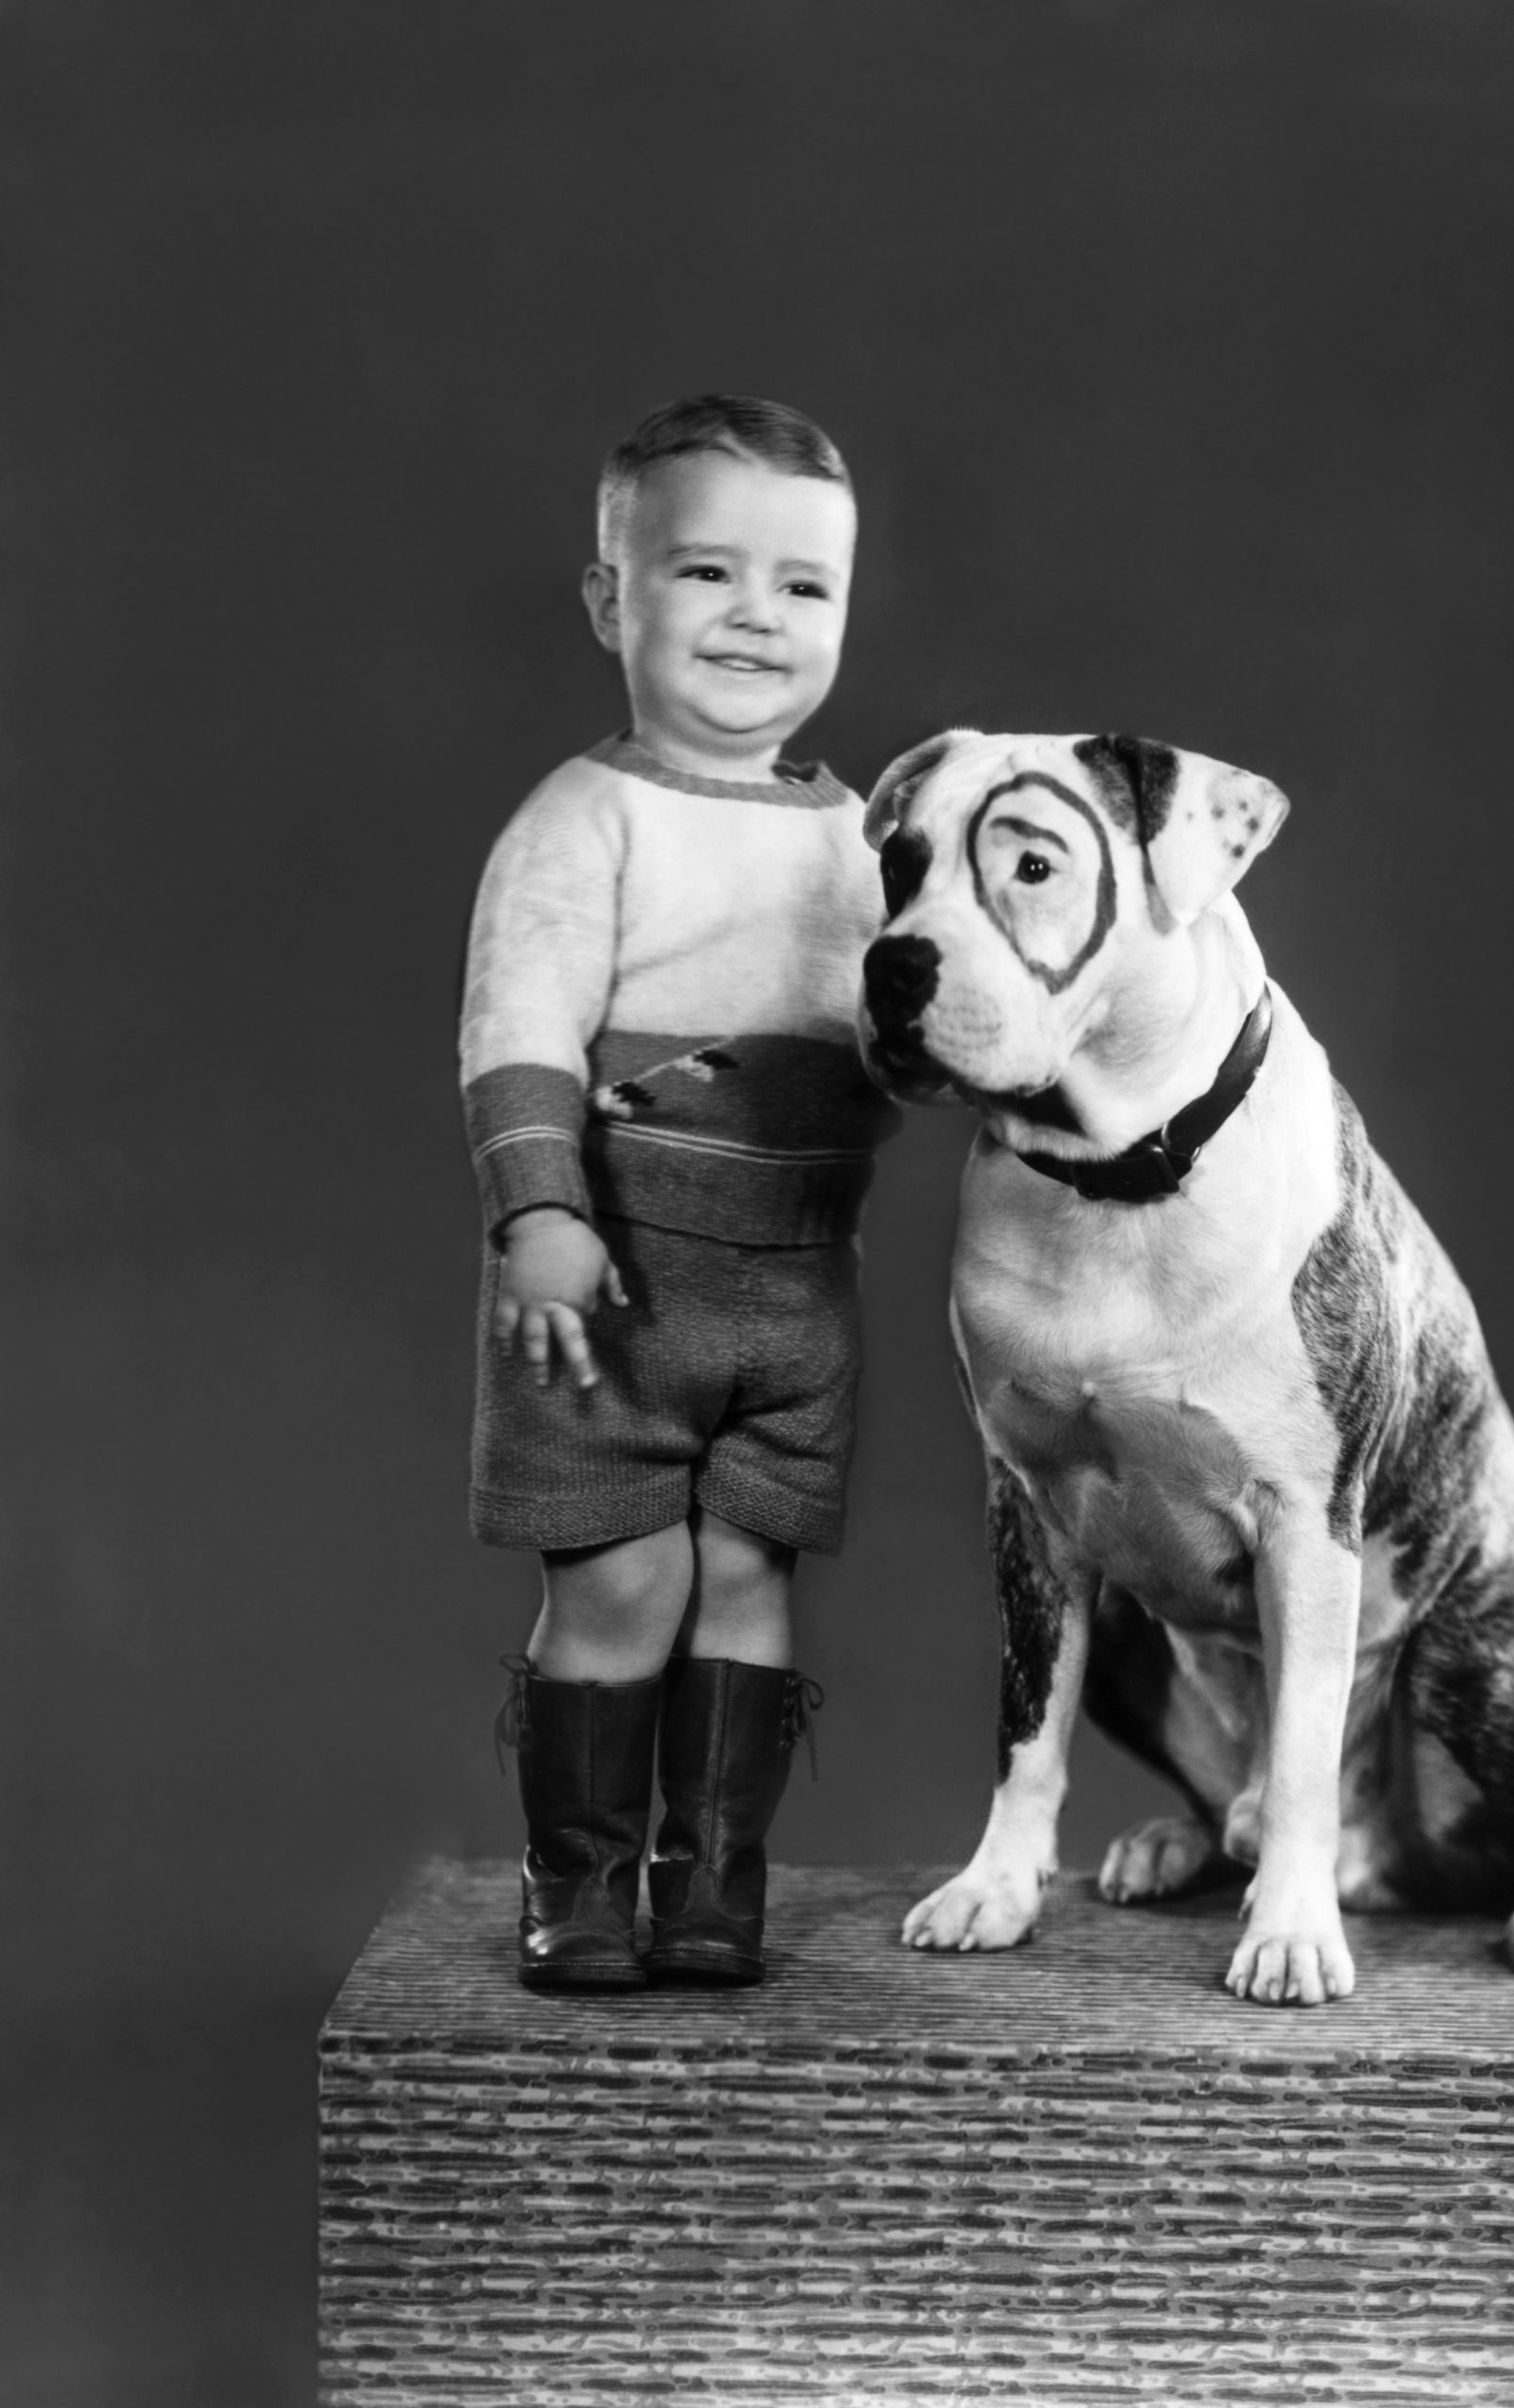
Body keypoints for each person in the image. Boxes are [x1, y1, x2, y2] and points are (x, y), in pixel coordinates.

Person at [460, 395, 896, 1991]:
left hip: (794, 1292)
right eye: (705, 572)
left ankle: (710, 1878)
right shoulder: (587, 816)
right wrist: (538, 1213)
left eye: (802, 587)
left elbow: (905, 1029)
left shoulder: (861, 838)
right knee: (623, 1573)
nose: (754, 619)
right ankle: (572, 1884)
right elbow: (516, 1028)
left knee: (744, 1572)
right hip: (610, 1289)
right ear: (610, 600)